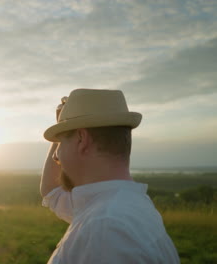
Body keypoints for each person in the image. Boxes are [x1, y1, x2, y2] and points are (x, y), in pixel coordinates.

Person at [40, 89, 180, 263]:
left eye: (61, 144)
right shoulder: (122, 204)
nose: (57, 156)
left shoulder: (105, 229)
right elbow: (52, 191)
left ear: (82, 139)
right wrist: (63, 125)